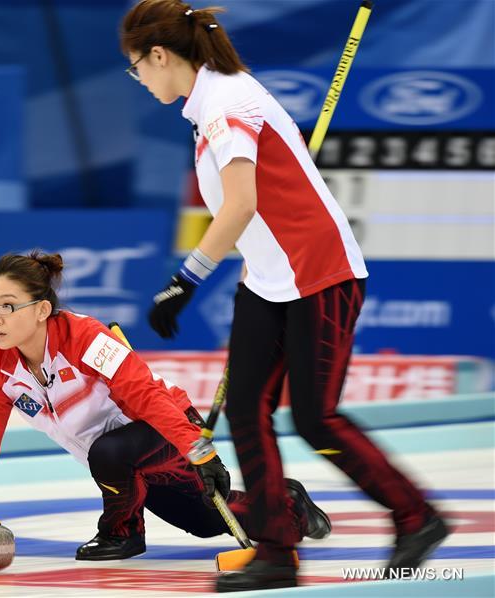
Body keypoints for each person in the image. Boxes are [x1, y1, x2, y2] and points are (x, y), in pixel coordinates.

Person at [120, 0, 449, 591]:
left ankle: (417, 516)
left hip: (319, 273)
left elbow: (241, 203)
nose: (138, 80)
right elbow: (248, 207)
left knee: (316, 419)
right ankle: (277, 552)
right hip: (269, 278)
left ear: (161, 56)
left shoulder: (224, 104)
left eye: (136, 68)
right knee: (247, 411)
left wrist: (184, 279)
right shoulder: (213, 97)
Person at [0, 251, 331, 561]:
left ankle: (121, 534)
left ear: (42, 310)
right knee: (203, 521)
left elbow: (147, 395)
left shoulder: (86, 338)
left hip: (167, 430)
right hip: (124, 463)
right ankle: (287, 504)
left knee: (109, 451)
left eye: (8, 306)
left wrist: (200, 451)